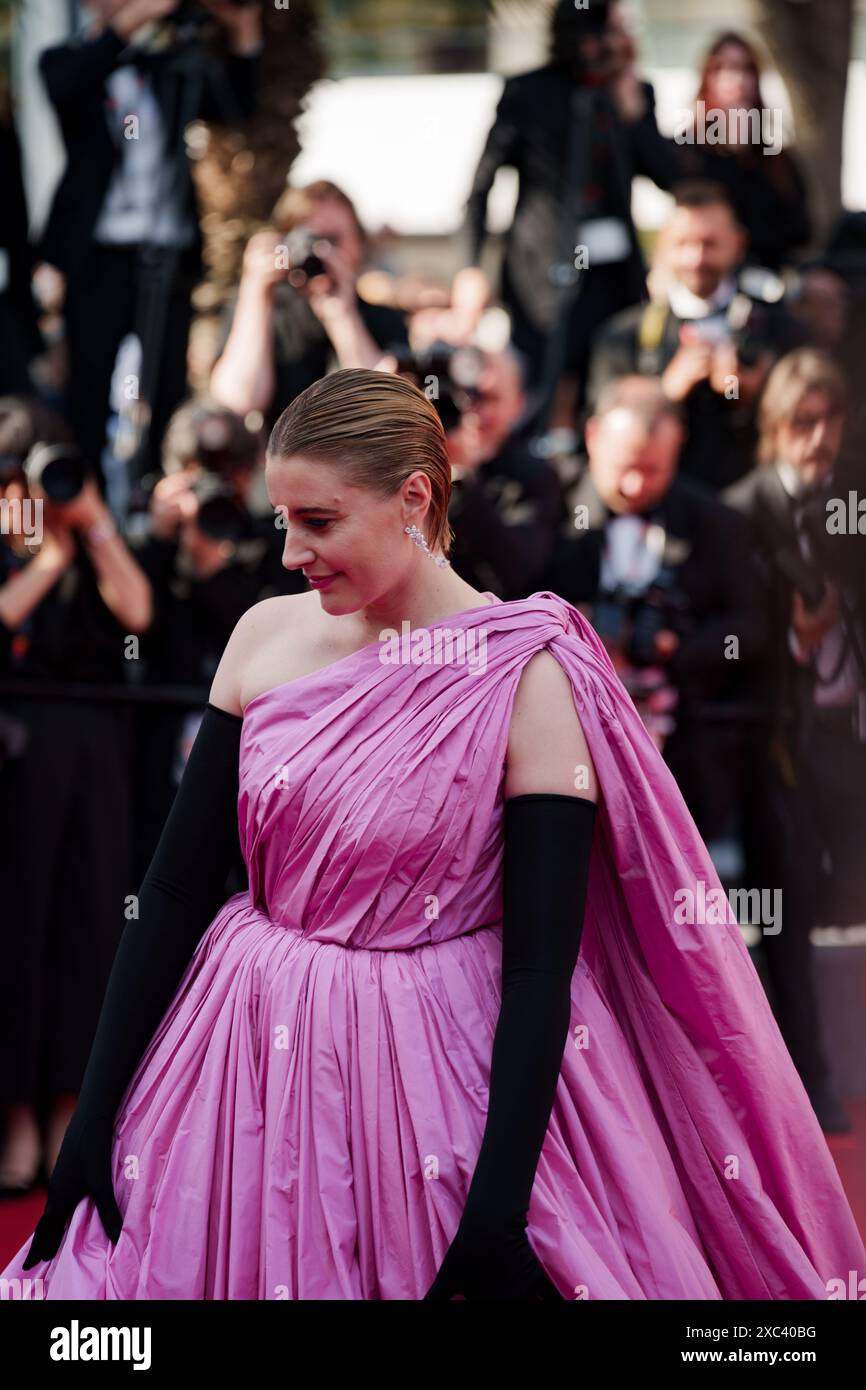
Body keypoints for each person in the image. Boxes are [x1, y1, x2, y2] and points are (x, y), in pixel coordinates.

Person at [3, 369, 863, 1298]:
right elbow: (173, 889)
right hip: (244, 1058)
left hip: (440, 1082)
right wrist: (97, 1114)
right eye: (282, 519)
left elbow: (542, 965)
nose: (291, 551)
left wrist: (497, 1210)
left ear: (415, 497)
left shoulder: (526, 676)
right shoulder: (261, 636)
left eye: (320, 521)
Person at [724, 349, 866, 1131]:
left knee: (833, 894)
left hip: (843, 732)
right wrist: (795, 642)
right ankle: (804, 1085)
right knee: (787, 909)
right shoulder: (742, 510)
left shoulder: (850, 506)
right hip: (772, 745)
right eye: (802, 423)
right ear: (775, 424)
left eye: (830, 421)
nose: (817, 439)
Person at [38, 0, 261, 485]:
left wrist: (241, 28)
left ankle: (158, 499)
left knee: (164, 388)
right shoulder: (63, 61)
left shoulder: (171, 68)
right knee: (90, 390)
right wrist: (139, 14)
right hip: (99, 257)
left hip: (167, 253)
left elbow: (235, 108)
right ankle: (85, 500)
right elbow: (70, 85)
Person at [544, 376, 766, 845]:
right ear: (593, 437)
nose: (634, 485)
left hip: (680, 760)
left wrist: (677, 646)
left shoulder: (716, 523)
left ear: (677, 448)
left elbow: (751, 628)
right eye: (625, 466)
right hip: (554, 747)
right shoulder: (548, 503)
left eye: (653, 470)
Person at [453, 0, 691, 433]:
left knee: (604, 388)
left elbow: (672, 178)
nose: (625, 39)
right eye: (616, 29)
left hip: (612, 277)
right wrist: (470, 266)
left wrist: (633, 110)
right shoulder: (528, 93)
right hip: (543, 274)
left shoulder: (632, 93)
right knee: (536, 393)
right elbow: (481, 187)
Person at [588, 180, 801, 491]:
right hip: (664, 508)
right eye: (683, 244)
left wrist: (755, 396)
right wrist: (663, 395)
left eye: (709, 244)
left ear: (738, 243)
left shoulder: (777, 326)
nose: (696, 258)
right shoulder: (624, 335)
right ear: (663, 246)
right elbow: (599, 427)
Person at [210, 181, 409, 430]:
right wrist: (255, 290)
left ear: (359, 244)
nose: (319, 251)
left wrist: (342, 316)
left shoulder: (384, 320)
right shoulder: (264, 313)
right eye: (307, 239)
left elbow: (385, 413)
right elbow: (238, 402)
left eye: (332, 240)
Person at [685, 32, 811, 271]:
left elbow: (799, 230)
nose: (739, 80)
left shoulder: (775, 159)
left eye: (747, 69)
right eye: (727, 68)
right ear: (708, 78)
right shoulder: (690, 152)